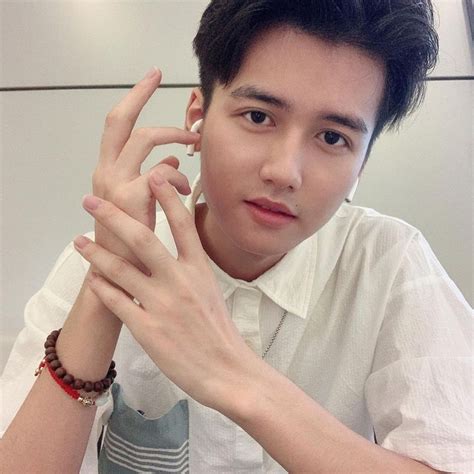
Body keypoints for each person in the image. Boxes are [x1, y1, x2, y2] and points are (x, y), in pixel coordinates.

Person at [1, 0, 472, 472]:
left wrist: (234, 375)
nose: (284, 172)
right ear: (198, 118)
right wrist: (109, 288)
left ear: (361, 164)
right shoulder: (98, 258)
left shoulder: (389, 264)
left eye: (333, 138)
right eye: (258, 116)